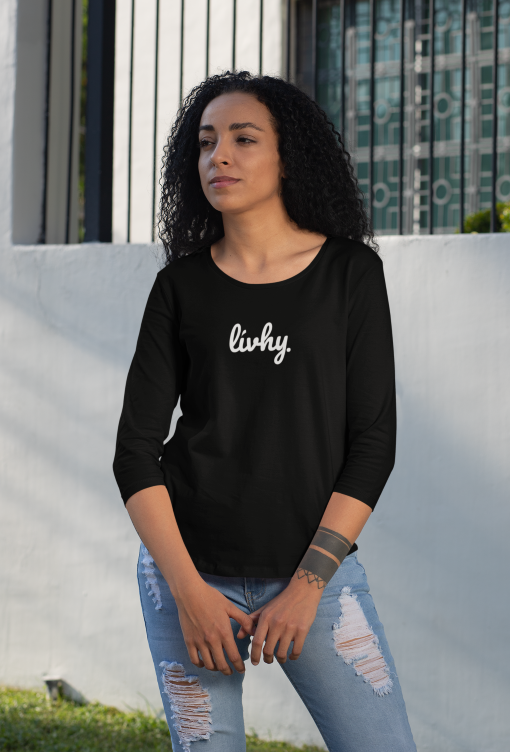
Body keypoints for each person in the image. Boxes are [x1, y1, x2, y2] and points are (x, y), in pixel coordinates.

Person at [113, 70, 416, 752]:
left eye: (243, 139)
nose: (218, 156)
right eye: (206, 142)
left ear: (288, 157)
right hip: (187, 577)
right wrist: (187, 592)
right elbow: (134, 453)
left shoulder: (349, 273)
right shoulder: (181, 286)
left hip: (318, 580)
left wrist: (308, 585)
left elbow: (373, 441)